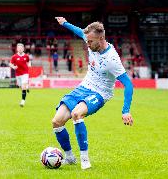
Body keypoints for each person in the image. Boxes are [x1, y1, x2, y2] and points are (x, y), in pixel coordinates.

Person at [53, 17, 134, 169]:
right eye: (87, 41)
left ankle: (85, 159)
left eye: (90, 42)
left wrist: (126, 111)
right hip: (84, 86)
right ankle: (70, 157)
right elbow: (79, 32)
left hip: (100, 93)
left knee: (77, 114)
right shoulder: (90, 39)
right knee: (56, 121)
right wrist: (64, 23)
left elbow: (128, 84)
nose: (87, 44)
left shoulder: (112, 59)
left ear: (101, 38)